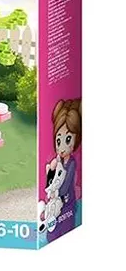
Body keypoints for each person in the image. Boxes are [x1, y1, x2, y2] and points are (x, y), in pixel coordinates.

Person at [47, 99, 81, 242]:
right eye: (58, 141)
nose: (61, 148)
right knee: (51, 232)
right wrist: (51, 169)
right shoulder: (58, 160)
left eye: (68, 140)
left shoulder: (71, 163)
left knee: (65, 226)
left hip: (67, 202)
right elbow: (51, 177)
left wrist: (56, 193)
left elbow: (66, 184)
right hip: (56, 202)